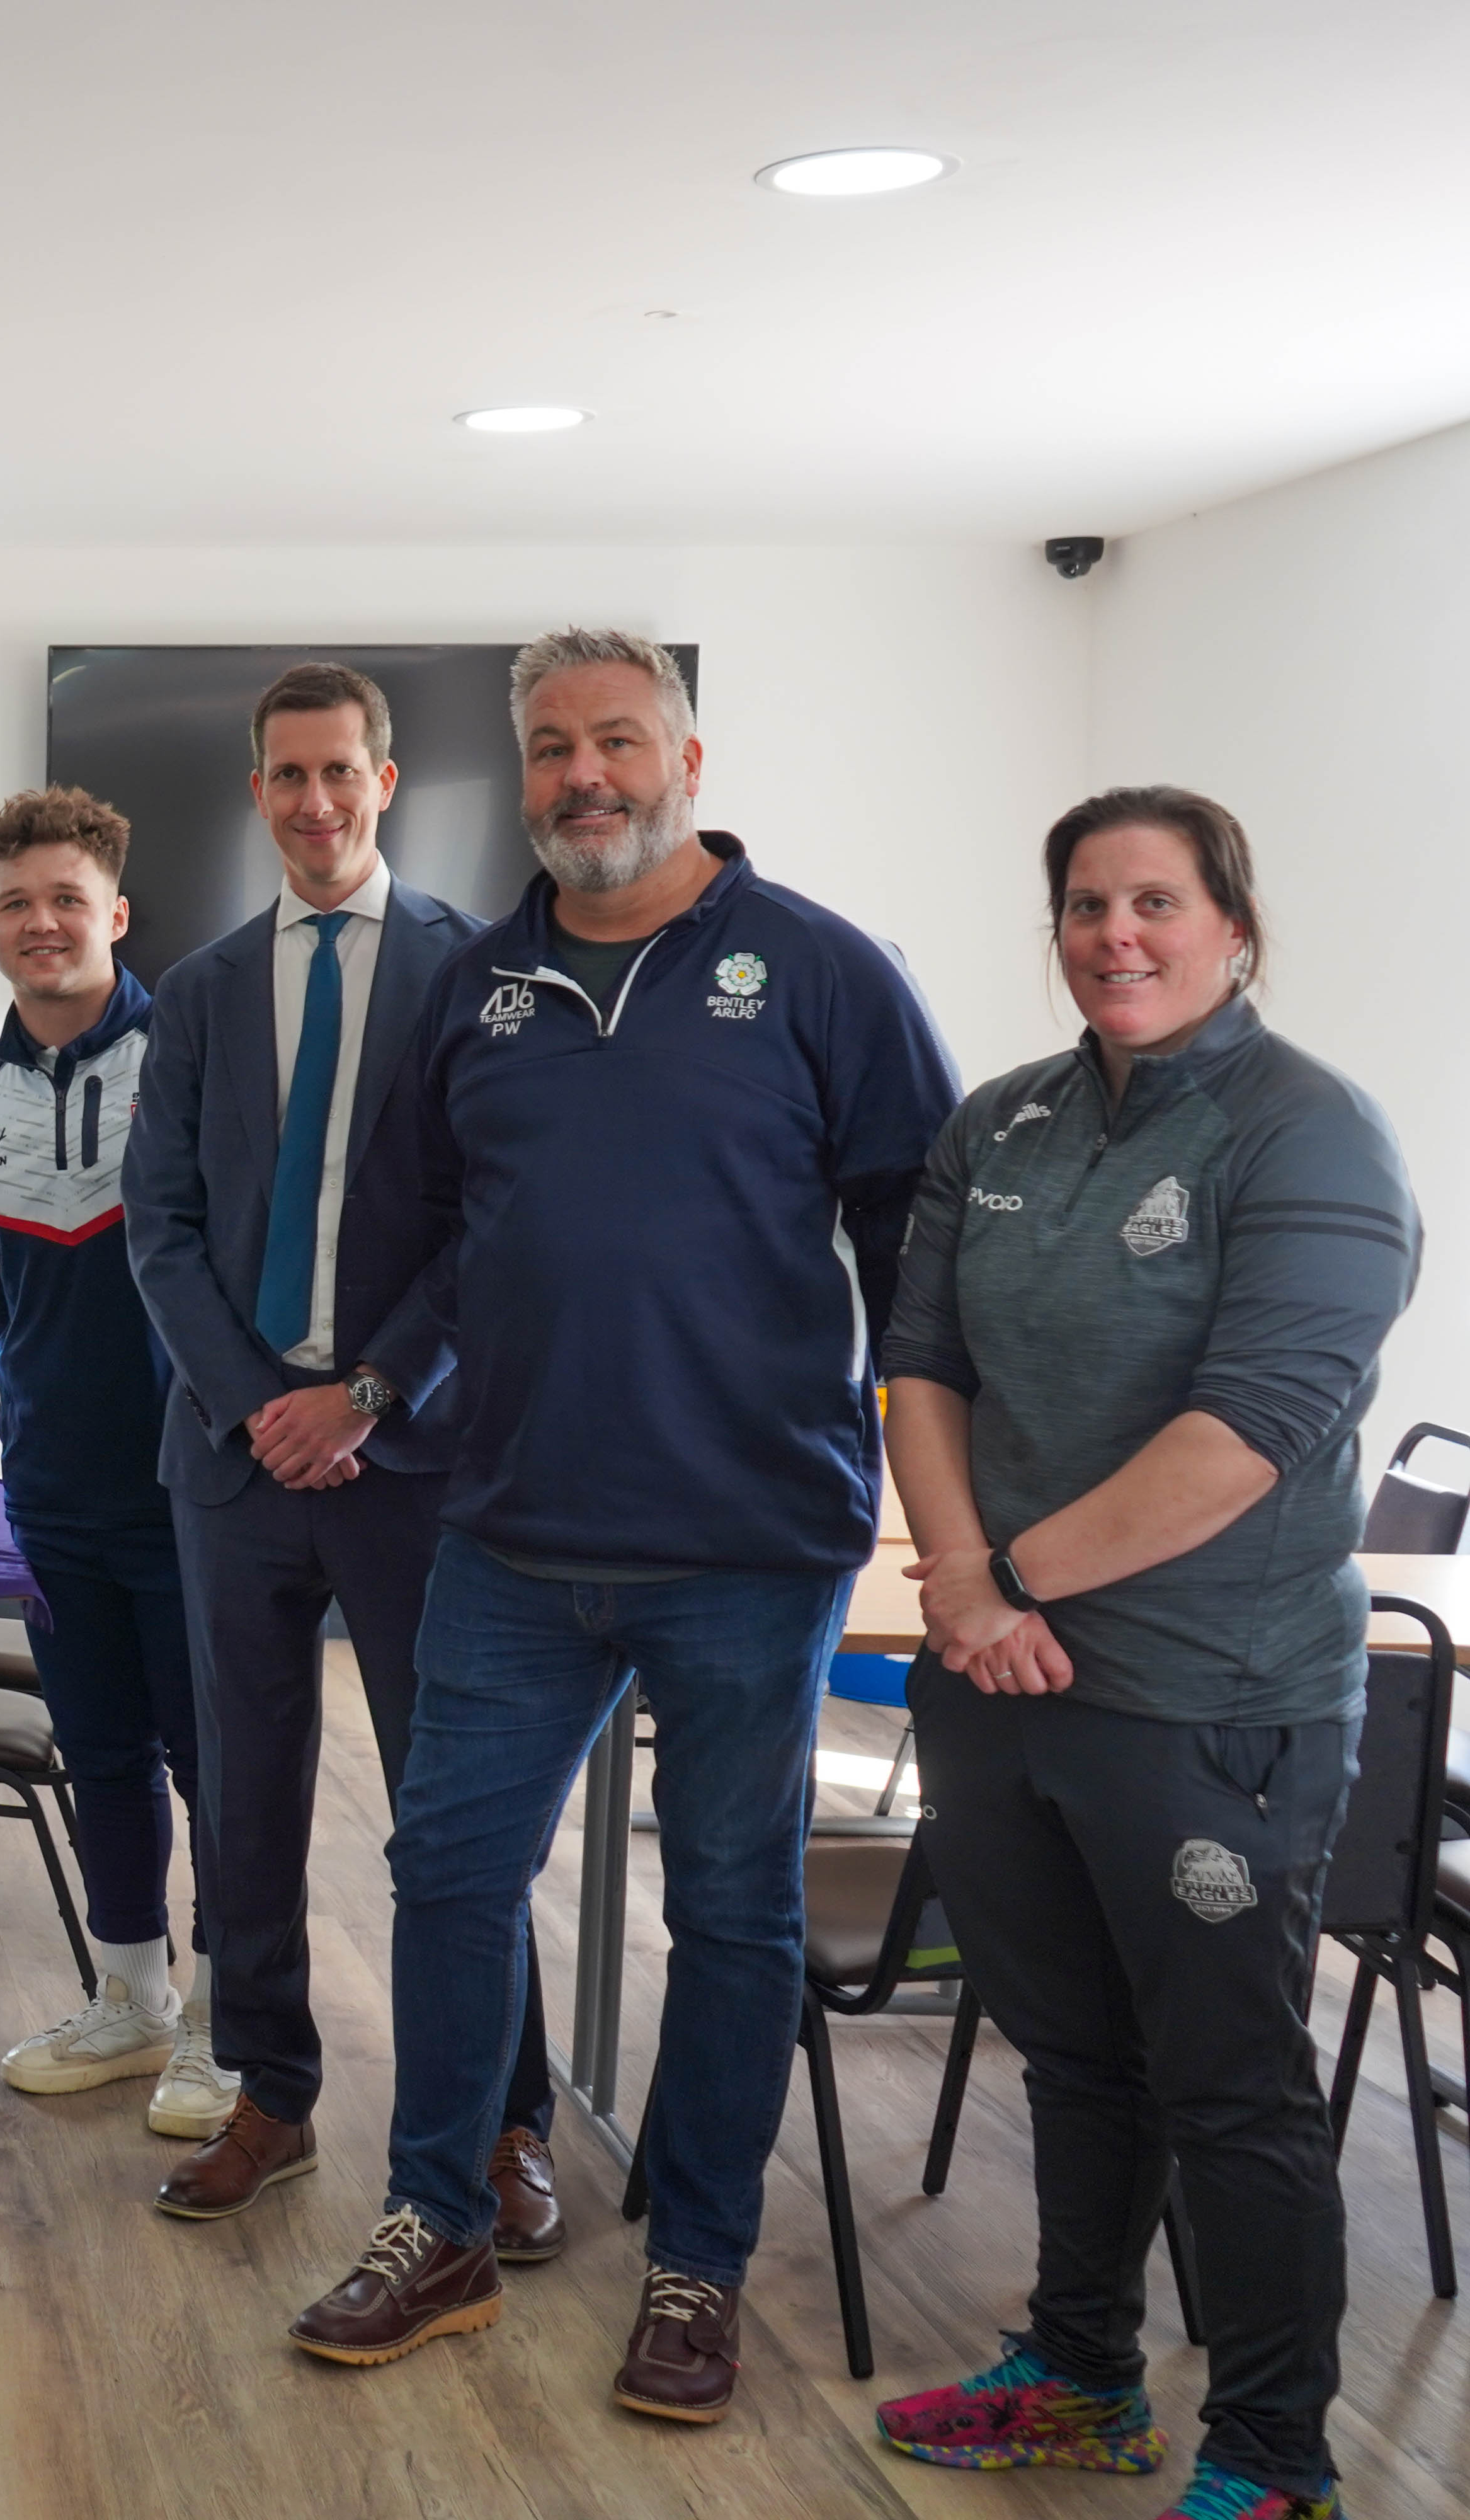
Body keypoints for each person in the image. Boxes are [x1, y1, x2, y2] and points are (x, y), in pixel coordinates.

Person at [287, 629, 959, 2425]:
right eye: (552, 748)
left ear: (689, 758)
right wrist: (386, 1396)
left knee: (732, 1915)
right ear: (519, 774)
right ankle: (434, 2217)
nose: (586, 775)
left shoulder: (821, 972)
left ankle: (699, 2267)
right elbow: (430, 1247)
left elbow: (923, 1251)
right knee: (445, 1877)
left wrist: (940, 1494)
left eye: (618, 742)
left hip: (753, 1546)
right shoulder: (481, 986)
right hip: (510, 1536)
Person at [869, 789, 1416, 2520]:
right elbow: (923, 1363)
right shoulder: (1001, 1125)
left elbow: (1248, 1431)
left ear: (1234, 927)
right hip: (1002, 1685)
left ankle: (1271, 2456)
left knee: (1232, 2084)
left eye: (1157, 903)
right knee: (1072, 2048)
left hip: (1208, 1695)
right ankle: (1084, 2375)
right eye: (1089, 906)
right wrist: (965, 1584)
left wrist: (995, 1578)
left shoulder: (1313, 1133)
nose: (1119, 934)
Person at [123, 665, 560, 2237]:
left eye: (340, 773)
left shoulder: (480, 975)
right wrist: (263, 1403)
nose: (314, 802)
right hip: (237, 1459)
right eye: (286, 775)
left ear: (386, 779)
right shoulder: (201, 988)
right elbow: (160, 1233)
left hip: (419, 1459)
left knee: (461, 1805)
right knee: (243, 1795)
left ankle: (507, 2120)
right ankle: (271, 2090)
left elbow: (491, 1222)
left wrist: (365, 1394)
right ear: (257, 790)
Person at [0, 787, 224, 2134]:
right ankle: (132, 1999)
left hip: (201, 1484)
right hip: (53, 1485)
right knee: (100, 1750)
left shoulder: (198, 1062)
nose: (42, 923)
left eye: (65, 899)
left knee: (220, 1763)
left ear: (115, 909)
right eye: (15, 905)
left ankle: (233, 2024)